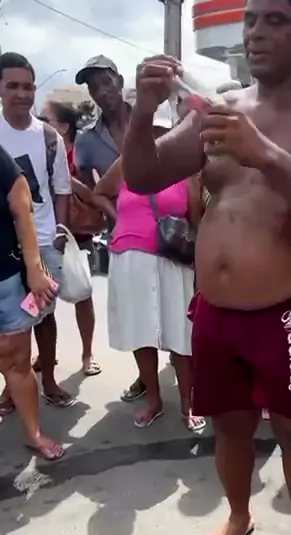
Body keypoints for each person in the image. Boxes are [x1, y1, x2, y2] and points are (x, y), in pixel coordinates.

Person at [122, 0, 291, 535]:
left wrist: (263, 153)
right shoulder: (225, 108)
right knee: (229, 425)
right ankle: (239, 515)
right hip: (217, 310)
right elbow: (143, 174)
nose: (256, 33)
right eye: (251, 20)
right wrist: (143, 112)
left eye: (275, 21)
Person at [94, 105, 205, 431]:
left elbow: (196, 220)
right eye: (150, 132)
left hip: (173, 259)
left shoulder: (185, 171)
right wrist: (121, 221)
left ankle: (188, 402)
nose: (156, 138)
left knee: (181, 334)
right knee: (141, 332)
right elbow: (100, 194)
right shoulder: (127, 163)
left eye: (162, 132)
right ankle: (153, 400)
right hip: (130, 258)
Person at [0, 52, 73, 413]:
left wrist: (59, 233)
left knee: (44, 317)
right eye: (12, 86)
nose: (22, 94)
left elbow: (62, 189)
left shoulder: (48, 137)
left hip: (42, 242)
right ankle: (13, 385)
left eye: (28, 86)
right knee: (12, 324)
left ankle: (49, 380)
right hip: (4, 246)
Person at [75, 54, 143, 402]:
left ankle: (186, 375)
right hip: (124, 234)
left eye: (106, 82)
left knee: (180, 305)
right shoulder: (87, 139)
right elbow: (88, 187)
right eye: (93, 87)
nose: (102, 91)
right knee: (135, 310)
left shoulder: (151, 117)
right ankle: (146, 377)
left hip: (170, 226)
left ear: (119, 81)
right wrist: (112, 214)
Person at [0, 143, 64, 458]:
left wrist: (35, 268)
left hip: (5, 277)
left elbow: (22, 205)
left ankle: (34, 433)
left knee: (17, 360)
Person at [40, 100, 102, 377]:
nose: (40, 123)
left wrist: (63, 177)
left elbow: (94, 193)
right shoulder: (41, 151)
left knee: (82, 295)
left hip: (78, 236)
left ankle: (88, 354)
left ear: (63, 126)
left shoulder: (80, 154)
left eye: (46, 119)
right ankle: (46, 355)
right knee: (43, 300)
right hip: (46, 234)